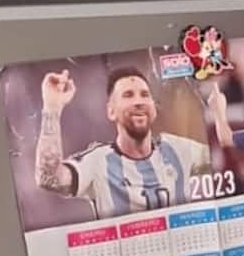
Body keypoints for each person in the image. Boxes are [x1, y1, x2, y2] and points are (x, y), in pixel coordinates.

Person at [35, 65, 222, 216]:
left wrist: (219, 113)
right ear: (111, 111)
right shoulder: (97, 162)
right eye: (128, 95)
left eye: (144, 95)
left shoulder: (179, 149)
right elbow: (49, 179)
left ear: (153, 108)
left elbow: (228, 148)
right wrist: (52, 108)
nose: (139, 102)